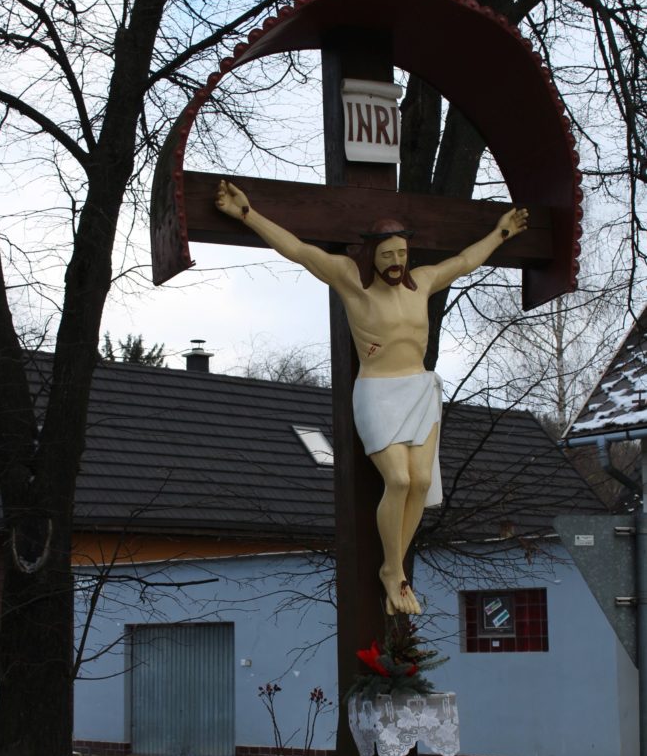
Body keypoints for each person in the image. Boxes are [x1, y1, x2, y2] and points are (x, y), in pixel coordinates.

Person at [215, 179, 528, 615]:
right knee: (398, 480)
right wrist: (248, 215)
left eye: (401, 254)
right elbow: (300, 251)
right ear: (372, 255)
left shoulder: (422, 282)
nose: (396, 262)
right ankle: (392, 570)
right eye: (387, 255)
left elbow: (463, 262)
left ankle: (395, 569)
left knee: (420, 482)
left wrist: (501, 233)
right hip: (378, 391)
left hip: (419, 390)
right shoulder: (352, 282)